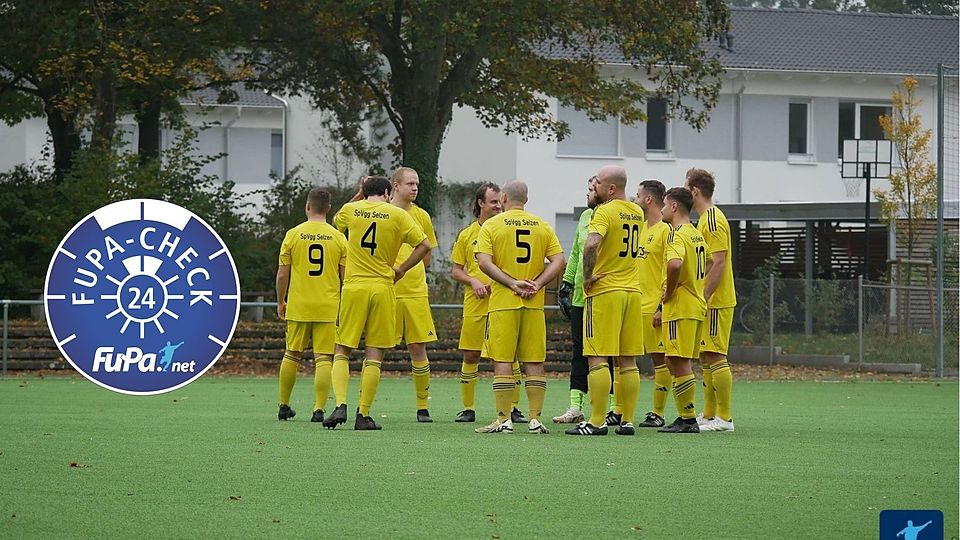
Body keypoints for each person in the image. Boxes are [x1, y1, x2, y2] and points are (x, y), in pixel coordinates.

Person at [324, 176, 431, 430]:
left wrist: (358, 193)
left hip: (354, 287)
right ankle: (364, 415)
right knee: (374, 352)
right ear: (386, 191)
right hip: (383, 286)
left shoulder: (352, 210)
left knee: (342, 348)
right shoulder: (398, 215)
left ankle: (340, 404)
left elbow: (335, 221)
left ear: (364, 191)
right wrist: (402, 269)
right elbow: (424, 245)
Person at [474, 180, 565, 434]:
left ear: (503, 198)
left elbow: (483, 262)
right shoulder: (542, 225)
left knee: (503, 360)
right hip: (533, 303)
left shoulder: (492, 225)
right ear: (526, 199)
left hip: (504, 302)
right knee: (534, 361)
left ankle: (504, 420)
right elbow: (559, 261)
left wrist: (511, 282)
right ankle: (535, 419)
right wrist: (537, 283)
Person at [565, 165, 645, 436]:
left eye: (597, 183)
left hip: (606, 291)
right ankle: (628, 420)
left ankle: (597, 421)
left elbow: (591, 244)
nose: (594, 187)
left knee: (597, 358)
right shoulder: (637, 212)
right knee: (628, 361)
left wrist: (587, 277)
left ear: (610, 188)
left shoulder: (604, 211)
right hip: (632, 292)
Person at [451, 182, 526, 423]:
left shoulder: (506, 229)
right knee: (471, 355)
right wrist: (473, 281)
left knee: (508, 356)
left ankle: (513, 408)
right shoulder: (467, 234)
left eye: (499, 201)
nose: (497, 205)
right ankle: (468, 408)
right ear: (480, 203)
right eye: (492, 201)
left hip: (504, 301)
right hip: (476, 303)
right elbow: (456, 270)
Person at [275, 188, 346, 422]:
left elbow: (282, 274)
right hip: (327, 305)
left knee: (292, 354)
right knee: (324, 358)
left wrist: (281, 300)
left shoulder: (293, 235)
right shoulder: (338, 237)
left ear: (307, 206)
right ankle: (318, 410)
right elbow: (345, 276)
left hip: (299, 303)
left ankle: (284, 405)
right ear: (329, 209)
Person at [686, 168, 737, 432]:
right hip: (708, 300)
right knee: (706, 356)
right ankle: (709, 414)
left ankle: (725, 418)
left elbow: (719, 262)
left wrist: (704, 296)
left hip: (716, 300)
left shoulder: (714, 220)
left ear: (695, 191)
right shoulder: (705, 220)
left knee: (716, 355)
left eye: (687, 189)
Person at [657, 187, 709, 434]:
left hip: (681, 307)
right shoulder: (695, 234)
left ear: (675, 206)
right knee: (673, 359)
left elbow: (675, 264)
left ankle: (687, 418)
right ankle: (684, 416)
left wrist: (669, 293)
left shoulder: (677, 235)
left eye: (665, 204)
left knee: (679, 361)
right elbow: (706, 261)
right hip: (695, 304)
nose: (662, 209)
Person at [390, 167, 440, 423]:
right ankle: (364, 408)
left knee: (418, 347)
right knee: (376, 348)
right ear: (395, 186)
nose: (415, 188)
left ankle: (422, 407)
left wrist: (408, 270)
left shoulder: (421, 215)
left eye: (417, 184)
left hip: (415, 290)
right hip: (386, 290)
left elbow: (427, 253)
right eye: (410, 183)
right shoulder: (382, 213)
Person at [553, 177, 600, 424]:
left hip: (602, 297)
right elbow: (575, 253)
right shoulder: (585, 218)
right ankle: (575, 406)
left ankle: (610, 408)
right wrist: (567, 283)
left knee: (606, 353)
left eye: (592, 189)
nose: (588, 193)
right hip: (582, 297)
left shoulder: (611, 216)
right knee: (578, 351)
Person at [635, 180, 675, 428]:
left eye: (638, 195)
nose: (635, 199)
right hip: (632, 304)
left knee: (659, 360)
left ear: (648, 199)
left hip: (653, 307)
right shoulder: (638, 228)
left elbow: (669, 271)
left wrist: (661, 307)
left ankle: (657, 413)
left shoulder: (666, 230)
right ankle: (618, 410)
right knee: (622, 358)